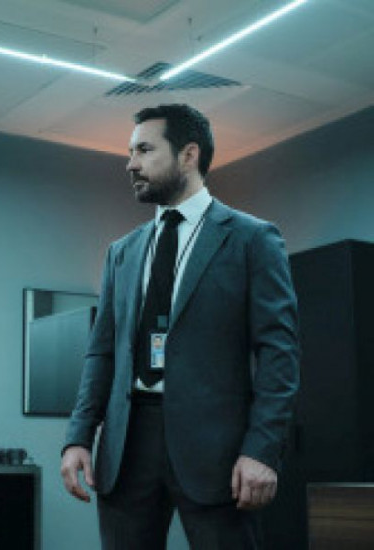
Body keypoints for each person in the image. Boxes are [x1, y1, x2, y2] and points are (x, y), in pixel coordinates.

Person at [61, 104, 300, 549]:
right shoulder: (121, 252)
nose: (131, 164)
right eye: (130, 152)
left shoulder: (252, 239)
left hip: (219, 452)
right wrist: (78, 437)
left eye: (144, 150)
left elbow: (278, 354)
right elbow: (101, 353)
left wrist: (262, 449)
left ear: (189, 155)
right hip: (127, 446)